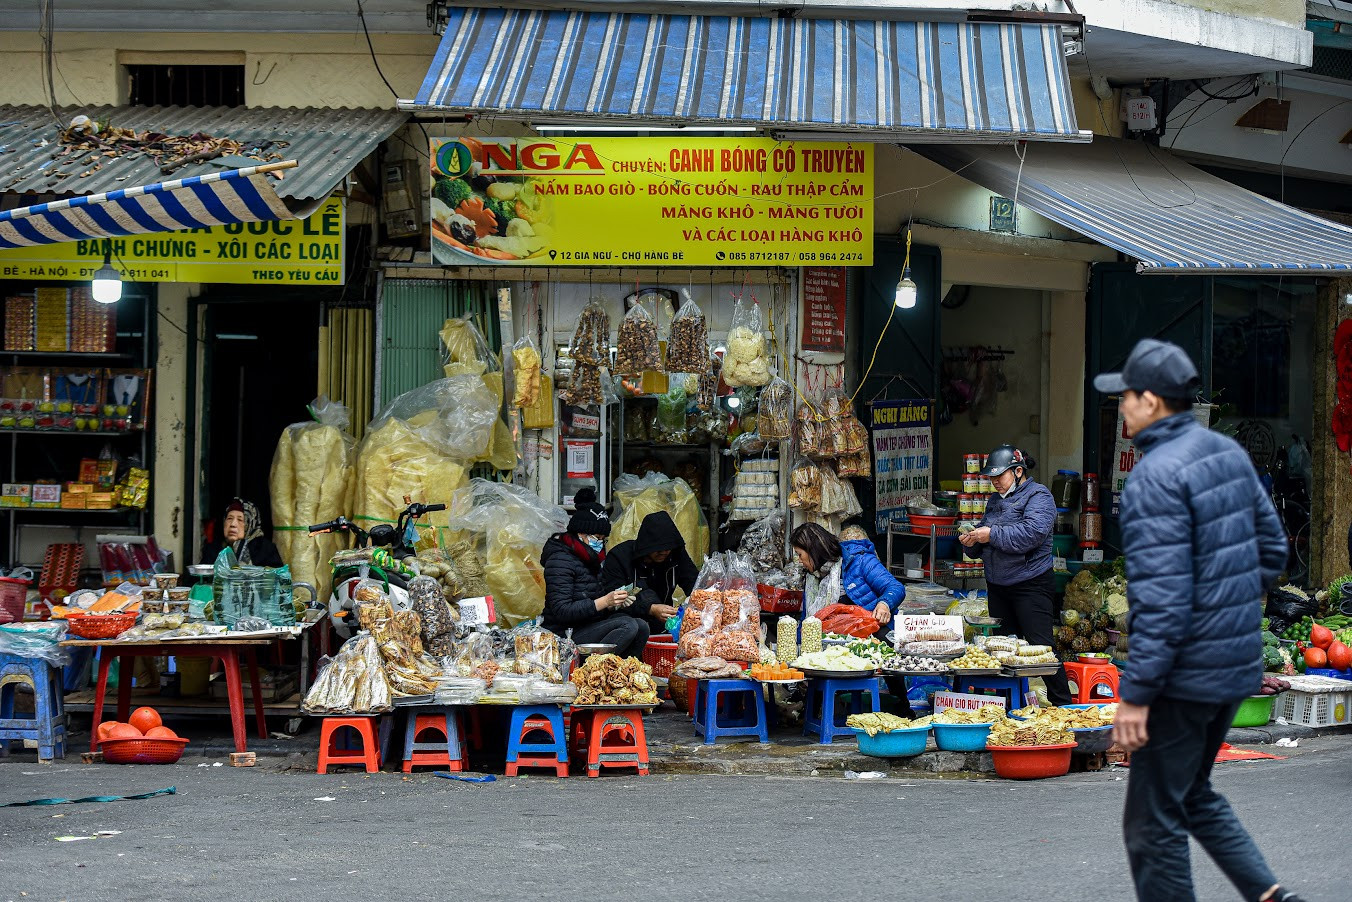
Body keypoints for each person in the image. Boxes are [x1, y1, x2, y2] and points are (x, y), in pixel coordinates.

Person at [1095, 339, 1301, 902]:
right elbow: (1273, 554)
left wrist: (1135, 696)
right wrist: (1226, 605)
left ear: (1153, 401)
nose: (1121, 408)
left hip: (1184, 675)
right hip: (1234, 666)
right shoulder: (1228, 454)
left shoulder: (1154, 478)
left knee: (1151, 826)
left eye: (1127, 397)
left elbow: (1161, 603)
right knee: (1192, 794)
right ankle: (1272, 896)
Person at [958, 445, 1072, 706]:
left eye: (1000, 476)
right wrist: (971, 541)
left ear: (1018, 471)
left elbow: (1030, 534)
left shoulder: (1039, 496)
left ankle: (1064, 705)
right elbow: (982, 544)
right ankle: (1010, 707)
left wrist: (990, 534)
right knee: (1003, 650)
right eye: (991, 477)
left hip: (1030, 585)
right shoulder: (995, 501)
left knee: (1042, 648)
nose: (995, 482)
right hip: (998, 586)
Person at [539, 488, 647, 657]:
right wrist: (604, 601)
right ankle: (591, 670)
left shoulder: (592, 559)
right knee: (628, 626)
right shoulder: (559, 560)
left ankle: (625, 673)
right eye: (597, 537)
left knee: (641, 626)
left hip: (587, 626)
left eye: (604, 539)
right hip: (563, 634)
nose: (600, 543)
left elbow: (595, 605)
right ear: (580, 534)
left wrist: (614, 604)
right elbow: (562, 610)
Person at [600, 511, 698, 633]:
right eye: (659, 549)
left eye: (668, 549)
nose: (664, 553)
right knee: (632, 625)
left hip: (663, 621)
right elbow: (612, 601)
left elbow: (694, 583)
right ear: (647, 547)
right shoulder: (619, 557)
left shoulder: (675, 555)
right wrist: (650, 608)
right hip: (627, 622)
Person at [790, 522, 904, 623]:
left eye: (800, 554)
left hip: (872, 636)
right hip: (834, 641)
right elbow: (806, 621)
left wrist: (884, 604)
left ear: (813, 550)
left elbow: (895, 587)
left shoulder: (860, 561)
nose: (799, 561)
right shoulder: (812, 578)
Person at [201, 498, 284, 567]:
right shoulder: (214, 549)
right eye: (229, 518)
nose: (233, 524)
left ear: (251, 524)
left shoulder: (265, 550)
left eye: (240, 519)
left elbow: (277, 580)